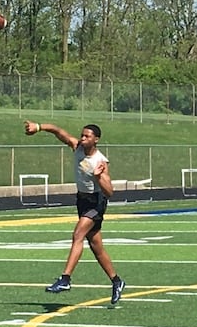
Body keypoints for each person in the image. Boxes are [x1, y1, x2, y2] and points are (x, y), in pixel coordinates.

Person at [26, 120, 124, 306]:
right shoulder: (76, 147)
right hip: (82, 200)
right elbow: (57, 130)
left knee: (77, 235)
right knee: (96, 247)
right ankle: (117, 281)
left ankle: (65, 279)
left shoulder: (100, 162)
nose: (83, 138)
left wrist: (97, 176)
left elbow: (109, 191)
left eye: (87, 136)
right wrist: (38, 127)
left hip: (96, 202)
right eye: (82, 135)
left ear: (96, 140)